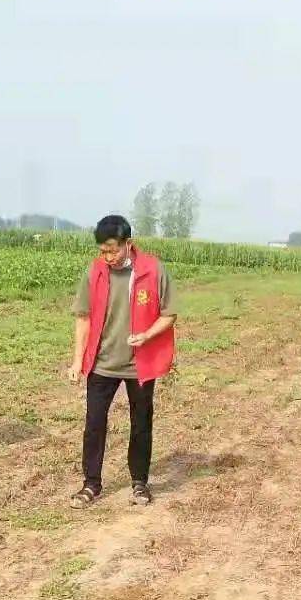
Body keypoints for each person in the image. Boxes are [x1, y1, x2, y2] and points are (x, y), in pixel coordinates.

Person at [67, 215, 177, 508]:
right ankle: (91, 484)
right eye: (102, 251)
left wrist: (146, 335)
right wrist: (78, 361)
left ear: (128, 244)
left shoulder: (153, 270)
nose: (107, 257)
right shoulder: (95, 271)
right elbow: (83, 317)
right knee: (93, 423)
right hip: (101, 363)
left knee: (141, 423)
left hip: (139, 365)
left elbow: (169, 314)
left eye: (112, 250)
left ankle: (140, 482)